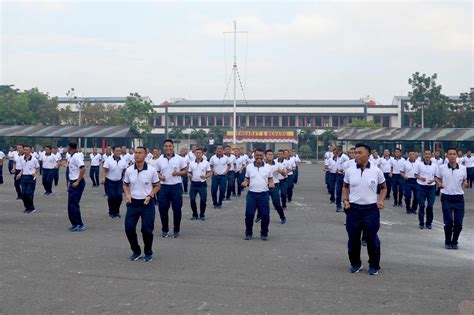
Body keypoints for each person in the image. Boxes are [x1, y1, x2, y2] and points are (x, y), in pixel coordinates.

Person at [342, 143, 387, 276]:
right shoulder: (350, 171)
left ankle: (374, 265)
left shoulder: (376, 171)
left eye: (359, 153)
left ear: (368, 154)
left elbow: (383, 187)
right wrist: (345, 200)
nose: (357, 155)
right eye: (355, 153)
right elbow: (345, 187)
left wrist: (381, 200)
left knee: (372, 239)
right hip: (353, 209)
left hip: (371, 210)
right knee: (353, 239)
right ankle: (355, 263)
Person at [123, 146, 161, 262]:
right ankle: (136, 251)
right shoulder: (129, 170)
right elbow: (125, 184)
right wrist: (127, 194)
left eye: (140, 153)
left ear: (145, 155)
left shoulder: (151, 170)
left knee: (146, 230)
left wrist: (150, 195)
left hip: (147, 203)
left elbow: (157, 185)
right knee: (129, 228)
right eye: (135, 153)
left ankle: (148, 252)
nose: (137, 155)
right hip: (133, 203)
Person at [435, 148, 468, 250]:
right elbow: (437, 177)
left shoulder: (463, 168)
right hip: (446, 197)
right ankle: (448, 241)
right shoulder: (441, 167)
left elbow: (464, 179)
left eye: (454, 154)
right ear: (447, 156)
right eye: (450, 154)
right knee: (448, 222)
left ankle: (455, 241)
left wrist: (465, 183)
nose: (452, 156)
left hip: (459, 198)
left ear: (456, 156)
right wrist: (439, 183)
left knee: (458, 223)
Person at [156, 139, 188, 238]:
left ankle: (176, 229)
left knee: (177, 209)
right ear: (163, 147)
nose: (168, 148)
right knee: (163, 209)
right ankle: (165, 229)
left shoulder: (179, 159)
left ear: (173, 147)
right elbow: (156, 172)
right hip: (164, 187)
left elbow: (185, 171)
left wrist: (178, 173)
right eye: (166, 146)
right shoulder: (159, 160)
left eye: (170, 146)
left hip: (176, 186)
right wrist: (160, 176)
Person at [241, 148, 274, 241]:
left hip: (264, 194)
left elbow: (270, 179)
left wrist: (271, 184)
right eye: (257, 156)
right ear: (254, 156)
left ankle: (264, 233)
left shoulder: (268, 167)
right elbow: (247, 178)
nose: (259, 157)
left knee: (265, 215)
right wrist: (245, 183)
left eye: (260, 155)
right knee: (249, 214)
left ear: (263, 156)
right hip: (252, 194)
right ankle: (248, 233)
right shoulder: (249, 167)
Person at [257, 149, 286, 224]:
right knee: (261, 202)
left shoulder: (277, 164)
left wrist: (282, 172)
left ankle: (282, 217)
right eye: (269, 154)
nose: (270, 156)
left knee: (276, 203)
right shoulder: (261, 164)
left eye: (271, 154)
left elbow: (284, 175)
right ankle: (259, 217)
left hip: (274, 185)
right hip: (264, 185)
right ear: (265, 156)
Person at [102, 146, 128, 219]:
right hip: (110, 181)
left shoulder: (123, 160)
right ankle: (111, 212)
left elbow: (125, 170)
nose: (119, 152)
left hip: (119, 181)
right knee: (112, 197)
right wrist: (103, 178)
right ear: (113, 151)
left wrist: (127, 180)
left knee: (119, 196)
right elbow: (105, 170)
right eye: (117, 151)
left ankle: (117, 212)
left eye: (120, 151)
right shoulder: (109, 160)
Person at [415, 149, 438, 229]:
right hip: (421, 187)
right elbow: (416, 175)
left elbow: (436, 176)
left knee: (430, 206)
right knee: (421, 205)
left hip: (431, 187)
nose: (427, 155)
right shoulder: (419, 165)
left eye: (429, 154)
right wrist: (420, 178)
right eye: (426, 154)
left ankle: (429, 223)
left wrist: (433, 180)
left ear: (431, 155)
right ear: (423, 155)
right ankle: (421, 222)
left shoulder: (435, 165)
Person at [67, 142, 86, 232]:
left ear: (69, 147)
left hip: (77, 182)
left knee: (74, 204)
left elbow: (83, 168)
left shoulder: (76, 156)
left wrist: (77, 181)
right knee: (70, 204)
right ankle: (74, 223)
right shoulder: (72, 156)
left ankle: (79, 223)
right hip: (72, 181)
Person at [188, 148, 211, 220]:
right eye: (197, 153)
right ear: (194, 154)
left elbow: (210, 172)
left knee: (203, 200)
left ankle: (202, 214)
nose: (198, 154)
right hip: (193, 184)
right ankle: (194, 214)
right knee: (192, 199)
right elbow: (189, 172)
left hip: (202, 184)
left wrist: (206, 176)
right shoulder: (191, 163)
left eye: (200, 153)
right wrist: (189, 175)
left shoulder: (206, 163)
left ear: (202, 154)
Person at [16, 145, 39, 213]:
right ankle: (27, 207)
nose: (25, 151)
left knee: (29, 193)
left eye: (27, 150)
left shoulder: (34, 159)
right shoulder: (21, 158)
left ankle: (31, 208)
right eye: (24, 150)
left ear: (30, 150)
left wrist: (35, 173)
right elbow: (23, 168)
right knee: (23, 194)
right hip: (24, 177)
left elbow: (37, 167)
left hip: (31, 178)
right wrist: (19, 174)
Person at [400, 150, 419, 214]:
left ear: (415, 155)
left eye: (412, 154)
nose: (411, 156)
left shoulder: (419, 163)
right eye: (410, 154)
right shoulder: (405, 163)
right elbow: (401, 172)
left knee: (417, 196)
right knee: (407, 196)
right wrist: (404, 176)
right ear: (408, 155)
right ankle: (408, 208)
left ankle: (414, 209)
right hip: (407, 181)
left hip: (416, 181)